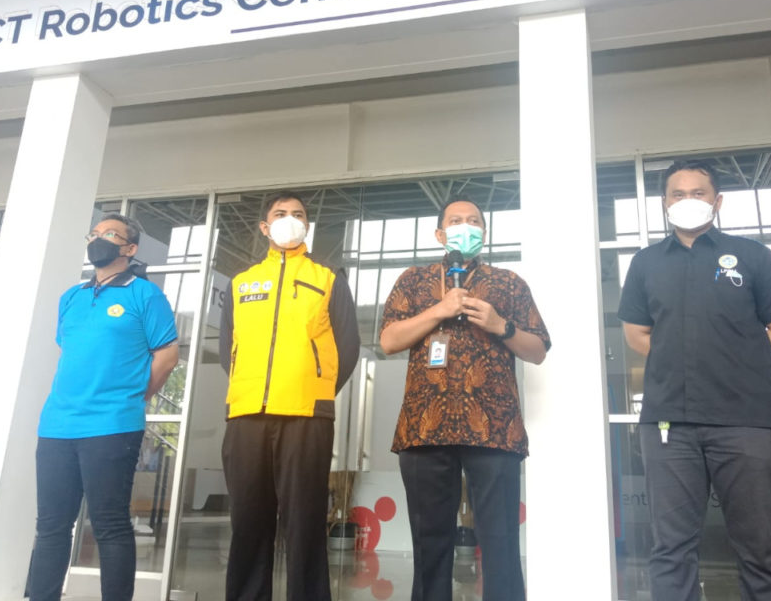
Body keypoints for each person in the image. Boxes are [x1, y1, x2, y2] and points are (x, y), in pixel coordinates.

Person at [617, 160, 771, 601]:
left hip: (745, 421)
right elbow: (637, 333)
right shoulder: (645, 263)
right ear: (665, 203)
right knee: (670, 551)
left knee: (761, 549)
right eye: (678, 194)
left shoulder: (752, 256)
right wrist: (687, 361)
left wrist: (732, 363)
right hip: (669, 424)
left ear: (717, 201)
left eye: (698, 193)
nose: (688, 201)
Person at [380, 198, 550, 601]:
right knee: (429, 546)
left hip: (494, 429)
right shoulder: (413, 281)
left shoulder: (509, 283)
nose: (466, 226)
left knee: (501, 544)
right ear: (440, 233)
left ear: (484, 233)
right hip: (424, 429)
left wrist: (500, 325)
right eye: (456, 221)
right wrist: (439, 310)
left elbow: (538, 350)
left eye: (474, 221)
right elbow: (388, 340)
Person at [29, 214, 179, 601]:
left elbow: (167, 356)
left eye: (109, 234)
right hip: (57, 425)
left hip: (112, 426)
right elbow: (71, 350)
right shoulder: (71, 297)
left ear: (130, 248)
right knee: (51, 526)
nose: (98, 239)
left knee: (110, 525)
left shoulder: (145, 295)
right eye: (94, 234)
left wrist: (133, 396)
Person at [219, 191, 360, 601]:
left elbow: (347, 347)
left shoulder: (328, 280)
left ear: (307, 226)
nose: (289, 219)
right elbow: (229, 348)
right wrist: (250, 386)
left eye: (297, 214)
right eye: (280, 214)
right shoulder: (241, 283)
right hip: (246, 415)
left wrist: (313, 389)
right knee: (248, 522)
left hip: (306, 416)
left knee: (304, 523)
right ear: (265, 227)